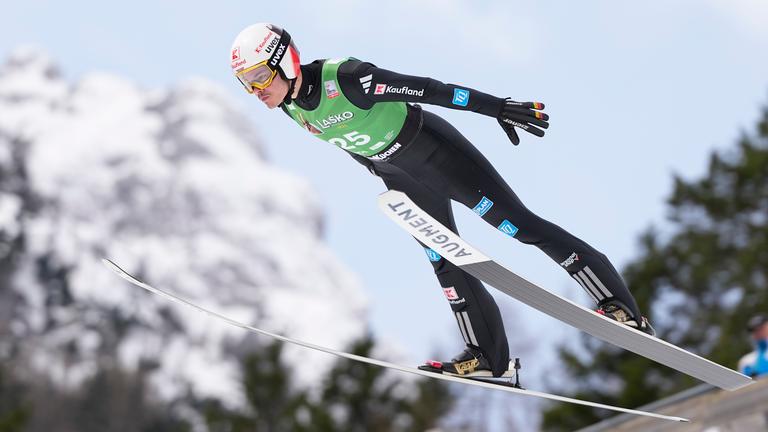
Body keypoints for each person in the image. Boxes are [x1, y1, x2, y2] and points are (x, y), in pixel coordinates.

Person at [230, 23, 655, 378]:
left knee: (519, 227)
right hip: (402, 178)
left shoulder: (347, 79)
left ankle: (619, 306)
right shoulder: (291, 107)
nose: (256, 91)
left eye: (259, 77)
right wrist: (379, 171)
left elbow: (430, 90)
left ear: (285, 61)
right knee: (445, 260)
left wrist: (498, 108)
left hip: (438, 156)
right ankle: (489, 359)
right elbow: (347, 140)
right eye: (246, 83)